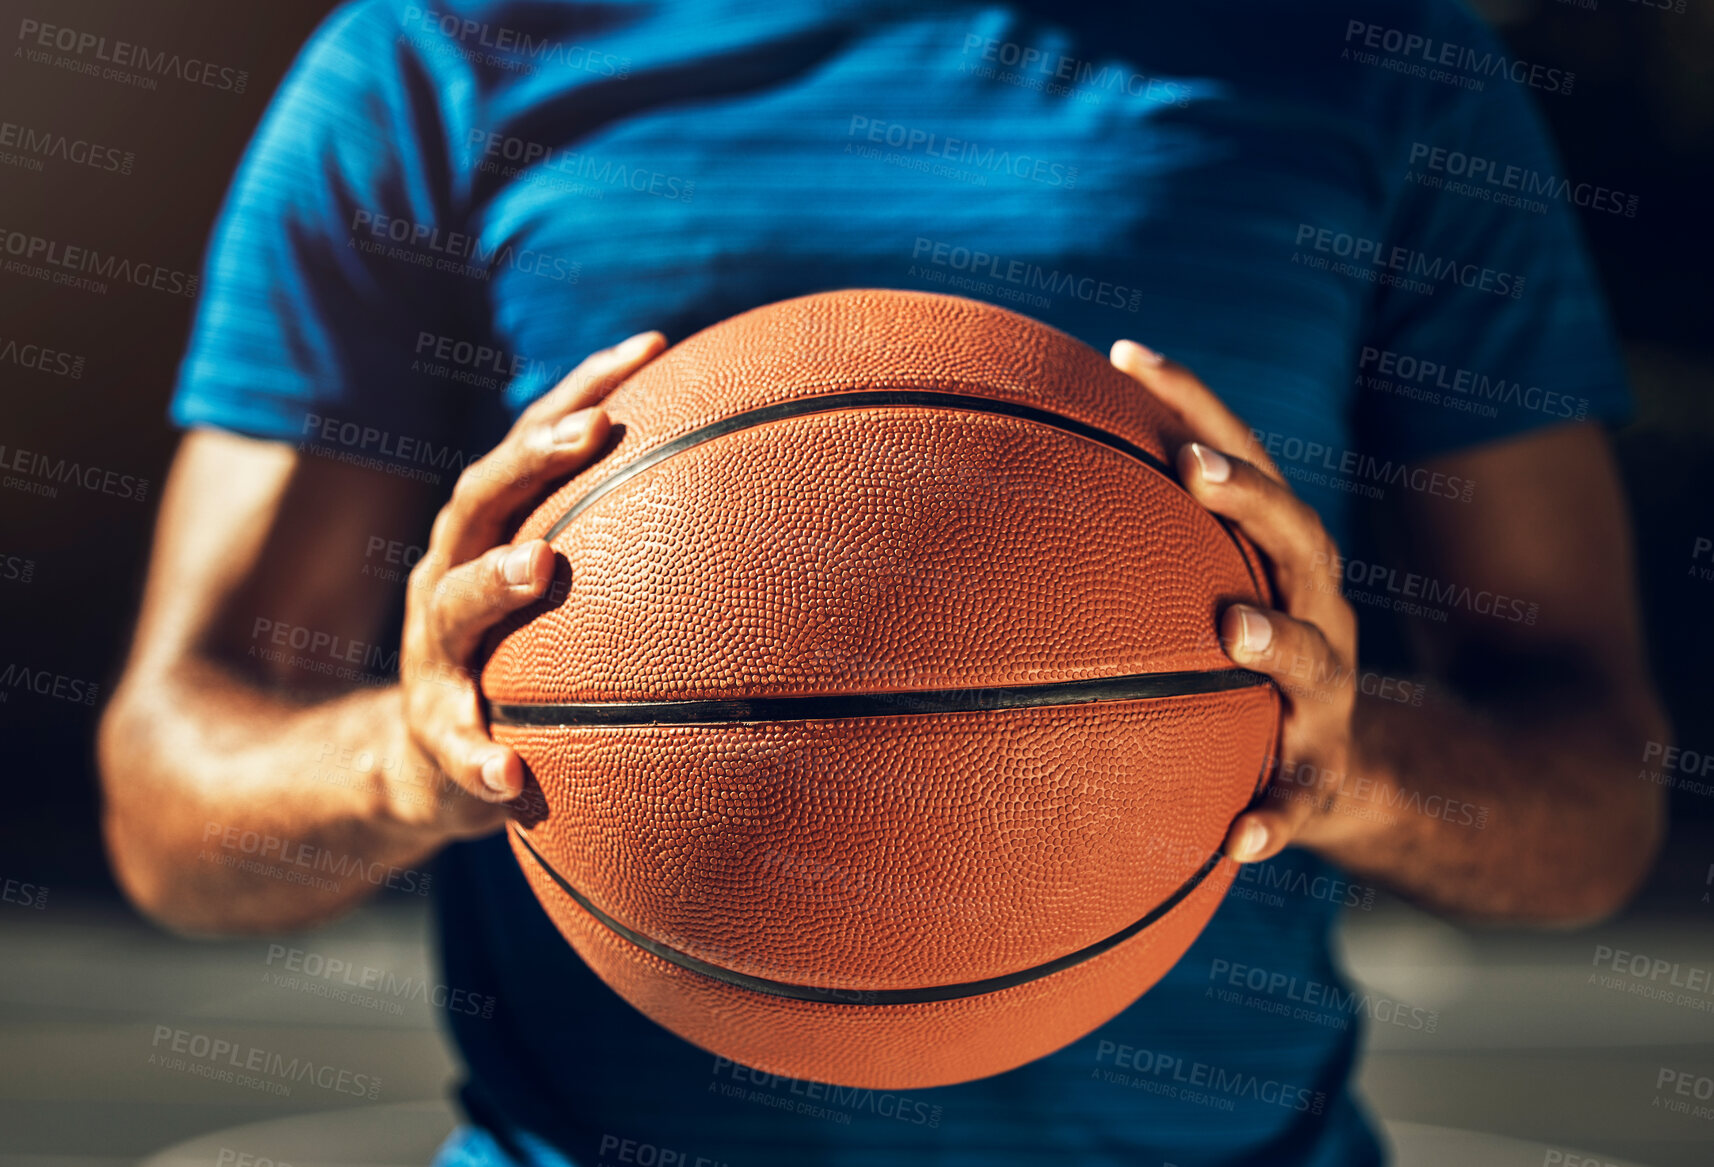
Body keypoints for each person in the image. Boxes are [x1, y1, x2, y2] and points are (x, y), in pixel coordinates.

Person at [99, 0, 1667, 1163]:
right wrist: (415, 750)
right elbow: (169, 809)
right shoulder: (439, 52)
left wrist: (1340, 762)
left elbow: (1593, 805)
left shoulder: (1376, 54)